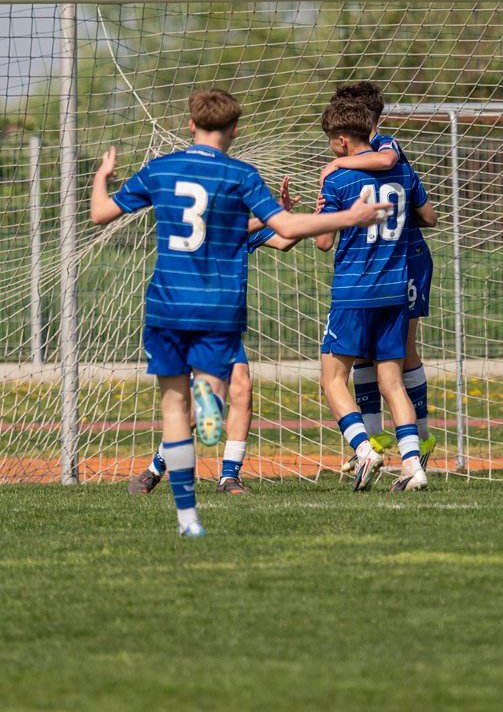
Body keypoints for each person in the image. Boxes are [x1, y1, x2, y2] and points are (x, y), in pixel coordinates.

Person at [91, 88, 381, 536]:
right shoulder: (238, 178)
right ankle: (181, 443)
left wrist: (103, 175)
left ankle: (201, 498)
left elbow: (99, 213)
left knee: (184, 402)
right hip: (218, 308)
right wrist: (345, 218)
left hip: (168, 306)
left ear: (191, 124)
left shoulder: (161, 170)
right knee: (215, 391)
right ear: (235, 129)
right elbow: (285, 229)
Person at [126, 181, 308, 496]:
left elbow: (284, 241)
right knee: (200, 409)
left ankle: (228, 478)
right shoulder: (196, 226)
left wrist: (314, 217)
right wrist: (273, 215)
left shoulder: (238, 225)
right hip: (193, 323)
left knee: (242, 389)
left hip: (224, 325)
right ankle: (155, 468)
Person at [315, 97, 436, 493]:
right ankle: (413, 466)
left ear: (341, 140)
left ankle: (363, 448)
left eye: (331, 140)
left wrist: (320, 211)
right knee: (392, 380)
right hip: (394, 290)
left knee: (333, 379)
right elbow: (429, 216)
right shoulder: (404, 171)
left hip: (354, 291)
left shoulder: (337, 180)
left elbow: (323, 242)